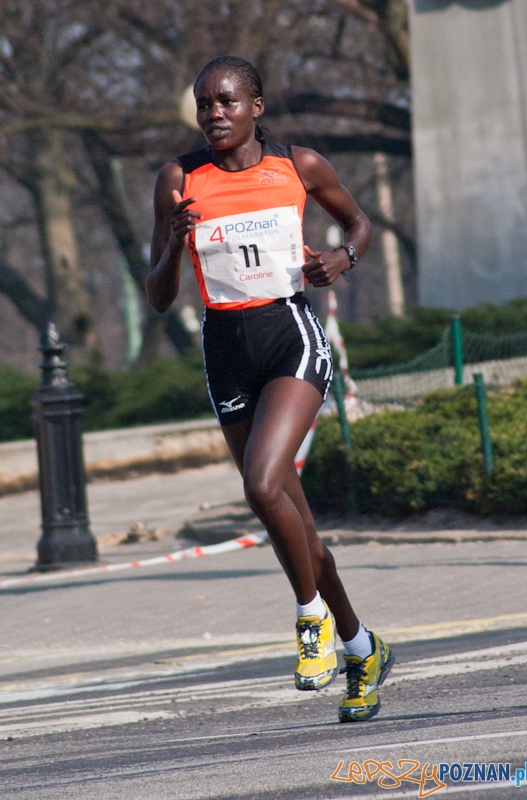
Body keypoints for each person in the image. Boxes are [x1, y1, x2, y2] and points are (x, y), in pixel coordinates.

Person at [146, 55, 394, 722]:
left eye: (226, 101)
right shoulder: (178, 178)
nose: (214, 113)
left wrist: (343, 257)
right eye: (204, 103)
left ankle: (309, 619)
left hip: (289, 335)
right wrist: (174, 242)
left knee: (261, 485)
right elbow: (160, 297)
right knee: (297, 527)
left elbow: (359, 225)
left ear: (256, 106)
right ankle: (362, 648)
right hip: (225, 350)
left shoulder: (299, 166)